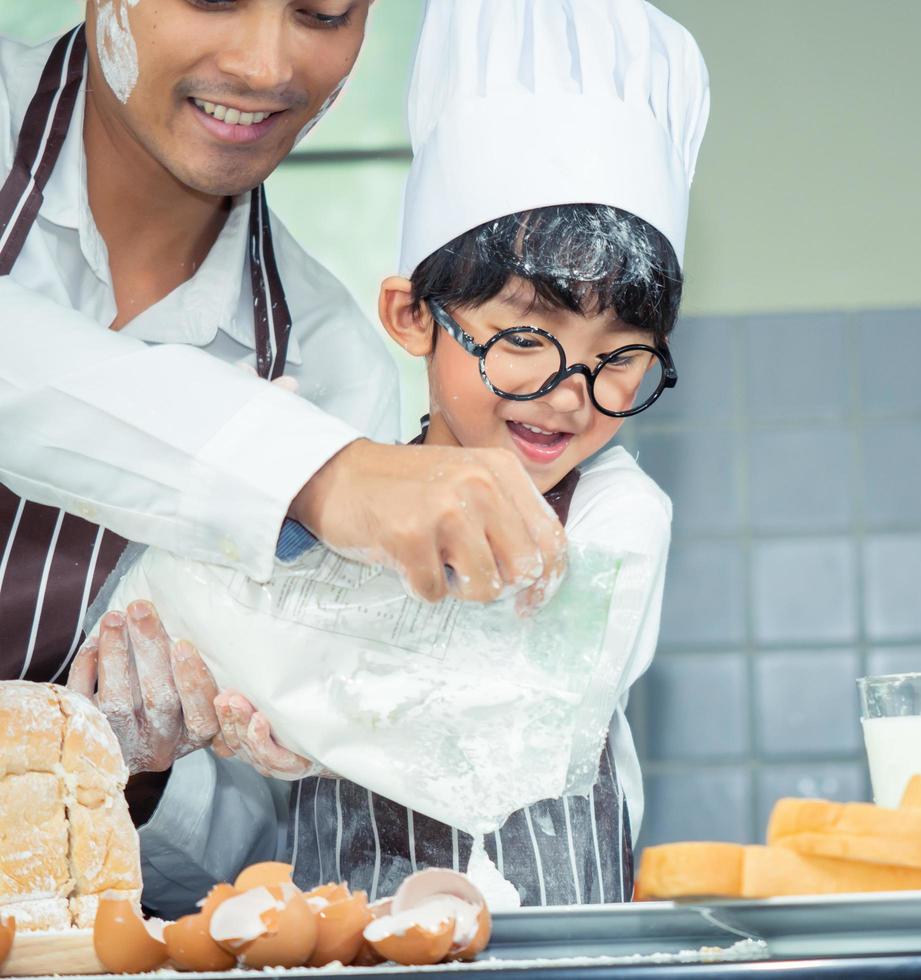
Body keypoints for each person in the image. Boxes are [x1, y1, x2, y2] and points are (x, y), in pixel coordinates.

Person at [0, 0, 559, 914]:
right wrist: (316, 474)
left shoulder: (330, 365)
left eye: (322, 13)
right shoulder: (331, 447)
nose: (266, 65)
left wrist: (137, 771)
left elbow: (241, 851)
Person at [184, 0, 708, 904]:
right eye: (524, 339)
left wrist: (300, 682)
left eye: (621, 355)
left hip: (565, 968)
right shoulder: (334, 500)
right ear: (413, 316)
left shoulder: (617, 517)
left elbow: (501, 708)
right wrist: (258, 513)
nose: (571, 394)